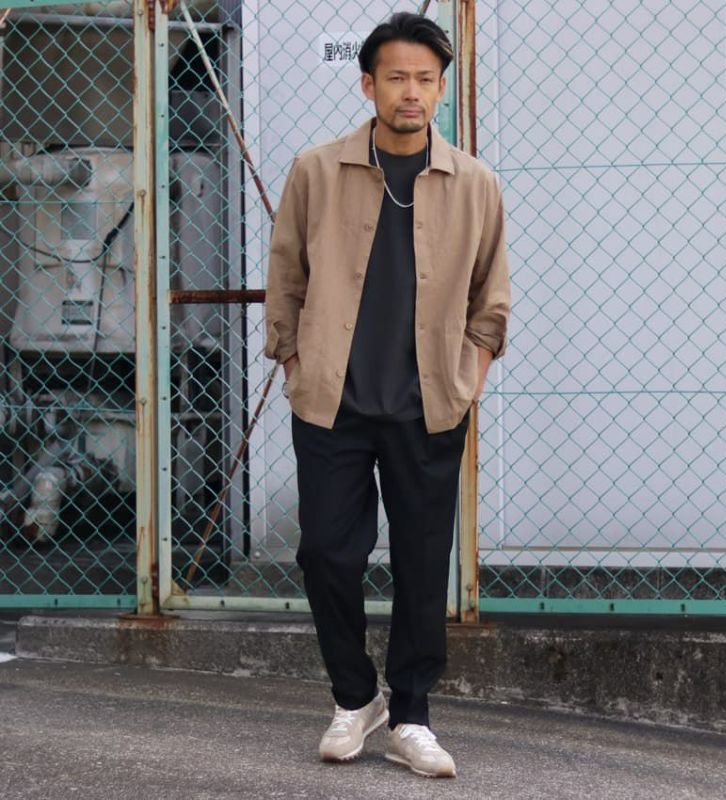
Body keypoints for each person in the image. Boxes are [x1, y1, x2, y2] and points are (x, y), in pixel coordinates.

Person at [265, 11, 509, 779]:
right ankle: (354, 697)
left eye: (425, 79)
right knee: (325, 553)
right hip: (331, 402)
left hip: (428, 405)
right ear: (368, 84)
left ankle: (411, 715)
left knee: (421, 562)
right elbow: (286, 272)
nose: (412, 92)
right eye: (397, 77)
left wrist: (469, 375)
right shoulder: (316, 170)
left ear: (441, 88)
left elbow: (491, 297)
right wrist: (294, 358)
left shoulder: (474, 183)